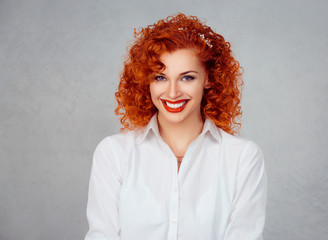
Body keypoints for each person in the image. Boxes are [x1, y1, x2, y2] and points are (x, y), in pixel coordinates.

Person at [85, 13, 267, 240]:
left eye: (187, 78)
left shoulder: (242, 157)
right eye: (160, 77)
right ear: (146, 81)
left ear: (208, 79)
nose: (172, 93)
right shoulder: (113, 153)